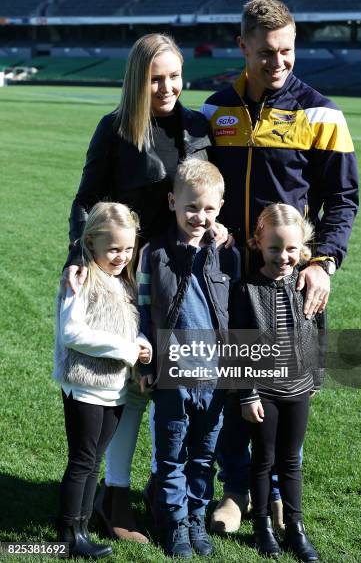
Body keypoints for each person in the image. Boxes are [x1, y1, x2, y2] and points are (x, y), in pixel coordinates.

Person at [201, 0, 359, 532]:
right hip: (227, 279)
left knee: (281, 391)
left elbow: (342, 200)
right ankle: (235, 492)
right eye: (266, 52)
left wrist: (323, 262)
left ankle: (269, 497)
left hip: (289, 282)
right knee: (232, 388)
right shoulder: (214, 109)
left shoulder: (321, 112)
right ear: (242, 46)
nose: (278, 63)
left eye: (287, 51)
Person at [63, 33, 217, 542]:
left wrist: (221, 230)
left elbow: (206, 190)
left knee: (181, 386)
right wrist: (80, 257)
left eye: (174, 76)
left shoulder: (197, 125)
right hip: (129, 277)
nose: (168, 87)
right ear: (137, 80)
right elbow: (87, 200)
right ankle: (115, 497)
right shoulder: (113, 130)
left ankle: (163, 485)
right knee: (131, 386)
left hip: (188, 278)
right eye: (156, 79)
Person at [137, 159, 240, 558]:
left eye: (209, 209)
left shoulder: (223, 254)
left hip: (213, 376)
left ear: (220, 207)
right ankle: (173, 521)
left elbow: (233, 311)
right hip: (173, 373)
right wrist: (147, 364)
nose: (200, 216)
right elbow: (144, 310)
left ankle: (196, 515)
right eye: (191, 207)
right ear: (171, 203)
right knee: (171, 452)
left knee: (203, 455)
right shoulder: (155, 253)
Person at [54, 202, 152, 559]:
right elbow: (71, 333)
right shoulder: (80, 277)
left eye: (128, 249)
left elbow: (126, 327)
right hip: (85, 388)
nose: (122, 256)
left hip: (114, 389)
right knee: (82, 461)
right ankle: (69, 532)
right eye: (113, 249)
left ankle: (80, 526)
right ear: (91, 242)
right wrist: (125, 349)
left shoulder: (122, 282)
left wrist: (140, 345)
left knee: (94, 461)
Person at [231, 203, 324, 561]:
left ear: (302, 248)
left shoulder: (306, 284)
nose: (283, 257)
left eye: (291, 249)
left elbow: (319, 330)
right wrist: (247, 394)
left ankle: (296, 528)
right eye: (274, 248)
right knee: (264, 459)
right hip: (263, 392)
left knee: (291, 460)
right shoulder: (246, 290)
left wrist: (315, 375)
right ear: (258, 243)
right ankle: (262, 526)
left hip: (298, 388)